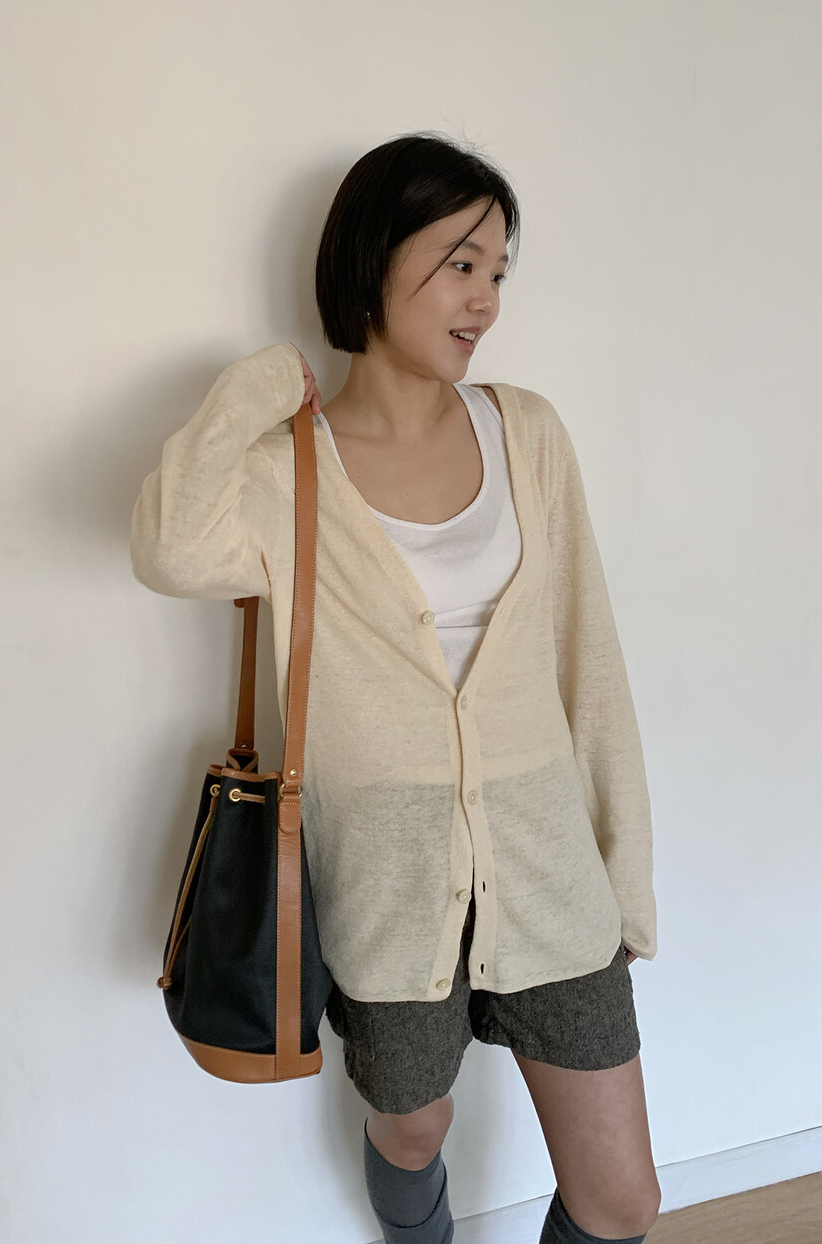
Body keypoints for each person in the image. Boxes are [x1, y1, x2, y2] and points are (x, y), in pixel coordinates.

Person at [131, 133, 661, 1244]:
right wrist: (257, 387)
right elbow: (170, 551)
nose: (486, 299)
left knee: (621, 1200)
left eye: (498, 270)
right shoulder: (290, 468)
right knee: (414, 1131)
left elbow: (589, 658)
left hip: (550, 874)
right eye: (460, 263)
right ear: (374, 259)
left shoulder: (527, 432)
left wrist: (622, 876)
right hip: (385, 887)